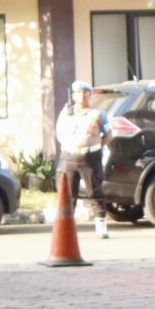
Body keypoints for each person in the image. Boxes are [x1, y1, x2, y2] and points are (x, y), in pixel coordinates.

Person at [54, 81, 107, 233]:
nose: (82, 95)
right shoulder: (66, 112)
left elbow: (109, 134)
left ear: (90, 94)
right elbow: (59, 133)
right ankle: (66, 227)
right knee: (68, 194)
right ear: (73, 96)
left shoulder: (97, 113)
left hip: (90, 157)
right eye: (78, 92)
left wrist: (96, 144)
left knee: (95, 191)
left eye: (85, 92)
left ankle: (101, 224)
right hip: (69, 157)